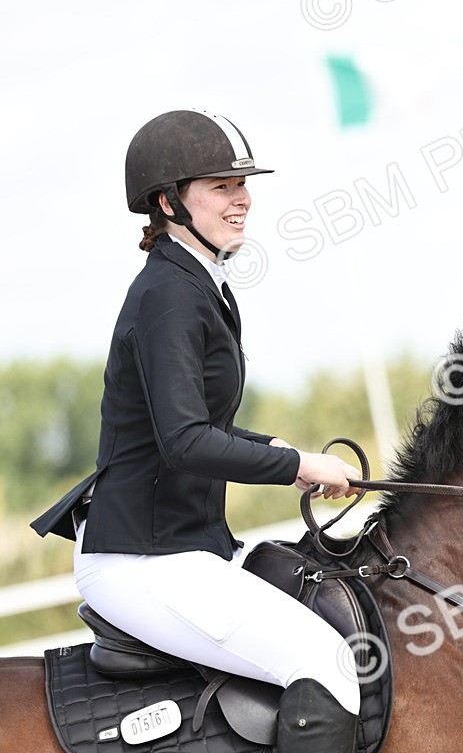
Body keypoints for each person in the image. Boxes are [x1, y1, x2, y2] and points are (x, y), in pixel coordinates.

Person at [32, 109, 362, 753]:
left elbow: (201, 426)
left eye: (243, 184)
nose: (241, 200)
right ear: (168, 202)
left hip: (189, 544)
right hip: (142, 561)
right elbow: (185, 442)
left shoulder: (201, 282)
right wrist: (298, 463)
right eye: (220, 186)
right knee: (326, 664)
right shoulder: (170, 295)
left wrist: (281, 454)